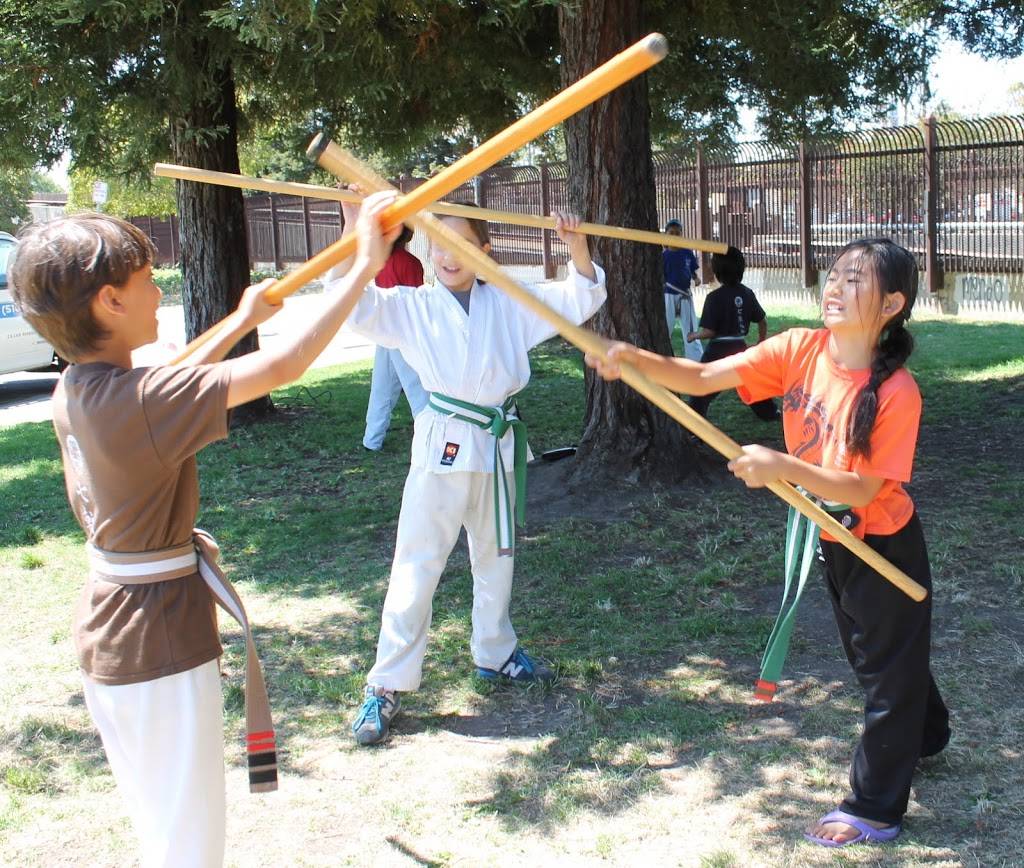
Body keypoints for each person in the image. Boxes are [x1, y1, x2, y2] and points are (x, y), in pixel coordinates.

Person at [8, 194, 400, 867]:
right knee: (188, 840)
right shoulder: (135, 401)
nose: (157, 287)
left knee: (165, 824)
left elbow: (171, 382)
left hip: (117, 633)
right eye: (143, 279)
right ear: (109, 301)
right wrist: (365, 263)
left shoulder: (78, 387)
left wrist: (238, 322)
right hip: (155, 638)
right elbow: (282, 368)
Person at [586, 238, 949, 848]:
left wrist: (782, 467)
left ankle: (875, 808)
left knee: (885, 675)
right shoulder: (799, 347)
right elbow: (703, 374)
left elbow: (862, 489)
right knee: (877, 657)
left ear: (892, 303)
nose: (834, 286)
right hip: (829, 534)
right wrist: (636, 360)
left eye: (854, 280)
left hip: (881, 545)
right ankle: (927, 732)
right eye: (834, 274)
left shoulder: (895, 392)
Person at [327, 200, 606, 746]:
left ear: (485, 252)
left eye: (461, 246)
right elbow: (349, 305)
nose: (447, 257)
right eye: (438, 244)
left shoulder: (509, 302)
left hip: (498, 445)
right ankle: (386, 683)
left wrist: (576, 245)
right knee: (417, 563)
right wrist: (351, 231)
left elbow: (577, 297)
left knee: (496, 554)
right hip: (444, 446)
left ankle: (495, 652)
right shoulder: (412, 307)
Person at [687, 245, 779, 421]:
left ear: (717, 270)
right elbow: (762, 321)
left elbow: (709, 331)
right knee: (752, 381)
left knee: (701, 385)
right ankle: (770, 413)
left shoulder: (714, 298)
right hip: (740, 346)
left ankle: (694, 420)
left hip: (717, 349)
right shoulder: (747, 293)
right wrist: (760, 341)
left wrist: (694, 336)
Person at [363, 225, 428, 451]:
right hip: (405, 332)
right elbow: (417, 301)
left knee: (381, 387)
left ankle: (372, 439)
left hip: (385, 330)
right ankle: (429, 439)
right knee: (417, 387)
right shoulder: (410, 262)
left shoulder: (381, 261)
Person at [662, 218, 702, 362]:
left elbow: (691, 269)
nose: (674, 236)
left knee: (690, 328)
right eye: (671, 233)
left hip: (685, 294)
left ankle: (695, 359)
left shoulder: (687, 252)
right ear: (666, 234)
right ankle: (663, 356)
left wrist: (695, 278)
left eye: (678, 233)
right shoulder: (664, 256)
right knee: (666, 326)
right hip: (669, 294)